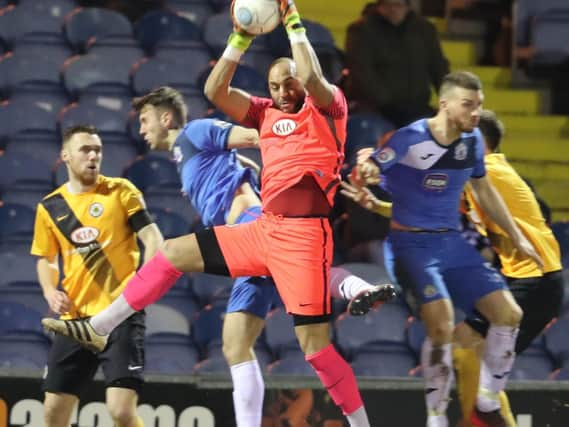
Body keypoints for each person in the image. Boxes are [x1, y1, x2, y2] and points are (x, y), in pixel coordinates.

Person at [43, 2, 374, 425]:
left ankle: (362, 412)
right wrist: (239, 37)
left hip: (301, 235)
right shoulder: (265, 112)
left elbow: (309, 77)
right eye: (274, 85)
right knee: (175, 255)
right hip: (262, 231)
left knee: (317, 351)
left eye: (289, 83)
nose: (283, 91)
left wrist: (290, 16)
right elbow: (216, 92)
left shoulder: (328, 109)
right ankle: (100, 326)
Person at [131, 86, 395, 426]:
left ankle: (355, 288)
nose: (141, 129)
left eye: (144, 120)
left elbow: (258, 135)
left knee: (288, 287)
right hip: (247, 243)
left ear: (165, 117)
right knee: (236, 344)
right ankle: (356, 288)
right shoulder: (193, 154)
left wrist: (295, 144)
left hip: (251, 227)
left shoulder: (196, 132)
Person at [353, 71, 543, 427]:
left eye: (479, 106)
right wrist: (366, 170)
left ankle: (488, 398)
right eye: (468, 105)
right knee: (442, 327)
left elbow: (484, 191)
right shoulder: (411, 137)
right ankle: (436, 415)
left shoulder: (470, 143)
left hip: (451, 242)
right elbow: (374, 165)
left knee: (509, 315)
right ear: (445, 104)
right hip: (411, 244)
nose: (475, 114)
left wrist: (516, 236)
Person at [32, 125, 163, 427]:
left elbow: (154, 240)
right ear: (65, 155)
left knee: (120, 411)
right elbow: (46, 259)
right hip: (75, 321)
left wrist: (141, 286)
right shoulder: (50, 207)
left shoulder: (121, 191)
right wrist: (50, 291)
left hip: (121, 314)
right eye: (85, 150)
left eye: (98, 150)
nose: (93, 156)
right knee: (52, 411)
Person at [452, 110, 565, 427]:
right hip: (527, 280)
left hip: (537, 281)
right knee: (468, 351)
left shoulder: (489, 170)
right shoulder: (479, 178)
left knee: (466, 347)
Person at [344, 0, 449, 127]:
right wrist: (385, 101)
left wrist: (448, 99)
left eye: (398, 5)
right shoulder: (361, 29)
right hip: (374, 110)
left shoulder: (424, 29)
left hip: (417, 109)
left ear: (407, 7)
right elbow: (361, 71)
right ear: (379, 6)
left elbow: (438, 67)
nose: (393, 9)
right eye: (388, 5)